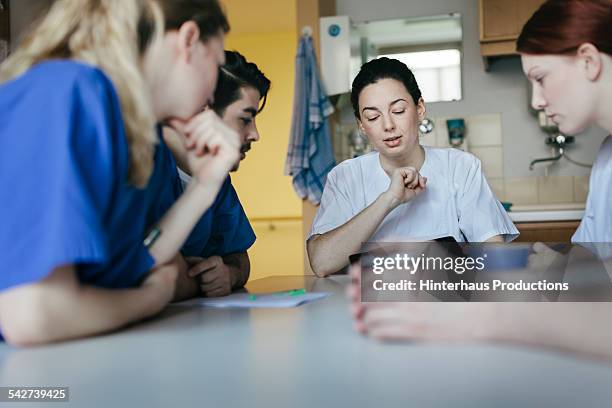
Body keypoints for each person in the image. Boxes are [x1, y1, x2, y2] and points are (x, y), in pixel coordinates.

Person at [350, 0, 612, 359]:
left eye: (540, 78)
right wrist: (433, 266)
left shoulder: (461, 167)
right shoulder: (606, 160)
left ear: (588, 61)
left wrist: (480, 320)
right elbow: (591, 266)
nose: (536, 101)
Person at [0, 0, 240, 346]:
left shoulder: (137, 132)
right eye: (216, 63)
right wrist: (149, 300)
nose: (214, 91)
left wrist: (205, 185)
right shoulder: (69, 91)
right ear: (188, 41)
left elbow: (143, 256)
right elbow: (34, 314)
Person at [307, 57, 518, 277]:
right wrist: (388, 200)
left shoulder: (460, 167)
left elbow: (495, 256)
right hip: (369, 308)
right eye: (373, 117)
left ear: (419, 109)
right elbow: (321, 263)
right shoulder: (345, 176)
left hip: (449, 305)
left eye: (398, 111)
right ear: (361, 125)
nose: (388, 125)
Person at [160, 50, 271, 297]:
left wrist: (227, 274)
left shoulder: (216, 179)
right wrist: (195, 282)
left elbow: (239, 258)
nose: (255, 134)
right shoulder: (142, 163)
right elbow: (155, 271)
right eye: (245, 119)